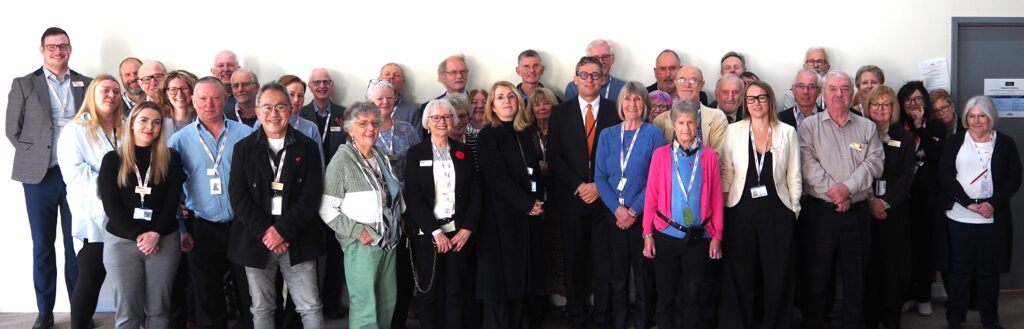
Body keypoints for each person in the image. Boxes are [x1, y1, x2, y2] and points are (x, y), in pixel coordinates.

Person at [6, 27, 90, 329]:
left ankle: (80, 313)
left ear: (70, 48)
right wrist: (36, 154)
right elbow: (12, 130)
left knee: (76, 245)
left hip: (76, 176)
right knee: (42, 245)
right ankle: (45, 312)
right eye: (52, 46)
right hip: (39, 177)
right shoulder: (24, 84)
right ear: (42, 49)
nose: (58, 51)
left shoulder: (86, 83)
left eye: (63, 46)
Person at [229, 83, 326, 329]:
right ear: (258, 111)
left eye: (280, 106)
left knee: (310, 306)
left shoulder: (307, 146)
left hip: (297, 237)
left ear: (291, 110)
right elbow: (238, 196)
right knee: (261, 308)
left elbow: (311, 196)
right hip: (256, 238)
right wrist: (267, 232)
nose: (274, 113)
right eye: (268, 107)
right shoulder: (243, 148)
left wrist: (282, 231)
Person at [168, 77, 256, 329]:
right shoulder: (179, 141)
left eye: (215, 98)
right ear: (193, 101)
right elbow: (172, 189)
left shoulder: (246, 135)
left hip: (241, 225)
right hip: (201, 227)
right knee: (207, 295)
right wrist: (182, 228)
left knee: (248, 291)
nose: (209, 104)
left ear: (225, 100)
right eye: (203, 98)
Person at [799, 71, 884, 329]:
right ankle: (815, 322)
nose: (839, 94)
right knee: (817, 275)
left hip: (856, 214)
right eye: (833, 89)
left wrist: (847, 189)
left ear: (853, 92)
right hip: (820, 213)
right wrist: (835, 194)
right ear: (823, 94)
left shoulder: (867, 126)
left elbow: (875, 163)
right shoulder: (809, 126)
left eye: (845, 89)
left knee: (856, 277)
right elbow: (806, 164)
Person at [717, 81, 802, 329]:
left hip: (777, 212)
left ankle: (775, 323)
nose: (756, 103)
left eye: (761, 98)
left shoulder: (787, 131)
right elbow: (727, 171)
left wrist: (793, 209)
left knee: (776, 275)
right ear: (746, 103)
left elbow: (794, 175)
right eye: (751, 99)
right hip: (740, 211)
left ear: (770, 100)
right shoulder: (734, 130)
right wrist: (723, 209)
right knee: (741, 275)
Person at [549, 56, 622, 328]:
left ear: (603, 79)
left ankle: (603, 315)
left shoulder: (617, 111)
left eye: (595, 75)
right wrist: (580, 186)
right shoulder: (560, 112)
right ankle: (576, 314)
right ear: (575, 78)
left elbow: (620, 157)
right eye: (584, 74)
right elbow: (554, 157)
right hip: (573, 199)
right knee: (574, 260)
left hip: (606, 201)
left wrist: (600, 188)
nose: (590, 79)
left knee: (605, 262)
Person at [97, 101, 185, 329]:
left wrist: (155, 233)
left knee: (159, 311)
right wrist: (139, 235)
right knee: (128, 313)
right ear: (132, 123)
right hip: (122, 243)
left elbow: (172, 200)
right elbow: (111, 206)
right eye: (144, 120)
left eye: (156, 122)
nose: (150, 127)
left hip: (164, 241)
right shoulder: (112, 160)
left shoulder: (171, 157)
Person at [320, 101, 405, 329]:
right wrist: (358, 231)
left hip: (388, 240)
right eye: (363, 123)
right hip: (362, 244)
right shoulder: (341, 161)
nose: (370, 128)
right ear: (350, 129)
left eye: (375, 123)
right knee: (365, 306)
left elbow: (391, 194)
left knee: (387, 303)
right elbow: (327, 209)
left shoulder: (380, 156)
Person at [938, 95, 1021, 329]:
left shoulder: (1005, 143)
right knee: (959, 271)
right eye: (971, 116)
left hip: (992, 218)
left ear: (990, 117)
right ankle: (955, 320)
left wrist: (992, 203)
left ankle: (990, 320)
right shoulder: (955, 141)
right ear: (966, 118)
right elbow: (944, 174)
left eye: (981, 115)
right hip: (960, 217)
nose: (976, 121)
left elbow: (1014, 178)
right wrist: (967, 202)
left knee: (989, 272)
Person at [642, 100, 724, 329]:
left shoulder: (708, 156)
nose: (686, 128)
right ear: (673, 125)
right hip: (666, 235)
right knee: (666, 295)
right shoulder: (660, 155)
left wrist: (717, 236)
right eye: (681, 123)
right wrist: (647, 233)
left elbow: (717, 198)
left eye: (690, 123)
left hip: (699, 237)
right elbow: (651, 197)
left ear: (696, 124)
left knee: (694, 294)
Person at [403, 99, 481, 329]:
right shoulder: (416, 153)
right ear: (427, 122)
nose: (441, 121)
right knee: (429, 291)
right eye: (436, 117)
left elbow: (475, 193)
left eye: (446, 117)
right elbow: (414, 198)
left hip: (458, 234)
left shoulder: (463, 152)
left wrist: (467, 229)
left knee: (456, 290)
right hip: (429, 234)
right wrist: (436, 233)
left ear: (453, 121)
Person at [593, 81, 665, 329]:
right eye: (627, 99)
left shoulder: (653, 134)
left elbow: (656, 179)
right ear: (620, 103)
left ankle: (644, 322)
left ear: (644, 104)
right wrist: (618, 210)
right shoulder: (607, 134)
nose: (632, 104)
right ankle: (620, 322)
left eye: (637, 99)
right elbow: (600, 177)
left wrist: (633, 210)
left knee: (644, 276)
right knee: (617, 276)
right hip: (613, 217)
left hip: (642, 217)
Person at [474, 81, 545, 329]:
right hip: (499, 219)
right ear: (492, 106)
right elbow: (497, 178)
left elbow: (533, 173)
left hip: (525, 218)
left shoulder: (524, 133)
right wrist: (527, 203)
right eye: (500, 98)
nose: (507, 102)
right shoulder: (488, 135)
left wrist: (537, 202)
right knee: (499, 285)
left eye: (511, 97)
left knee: (519, 283)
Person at [56, 75, 123, 329]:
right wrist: (116, 189)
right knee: (91, 276)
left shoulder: (125, 126)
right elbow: (76, 175)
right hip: (93, 215)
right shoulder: (75, 130)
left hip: (125, 214)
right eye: (105, 90)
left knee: (125, 279)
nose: (112, 95)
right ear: (92, 94)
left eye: (116, 91)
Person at [861, 86, 917, 329]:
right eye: (875, 104)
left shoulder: (903, 137)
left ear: (893, 108)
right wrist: (871, 200)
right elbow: (856, 170)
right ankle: (870, 318)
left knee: (893, 267)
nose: (880, 109)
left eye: (886, 105)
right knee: (868, 265)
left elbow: (907, 175)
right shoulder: (860, 133)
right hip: (864, 209)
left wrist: (884, 202)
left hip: (894, 212)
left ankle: (892, 317)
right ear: (868, 107)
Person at [652, 66, 728, 149]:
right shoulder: (660, 121)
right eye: (682, 80)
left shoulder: (718, 118)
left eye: (693, 80)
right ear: (675, 83)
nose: (687, 85)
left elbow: (717, 157)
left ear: (701, 84)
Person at [369, 79, 420, 185]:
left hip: (406, 192)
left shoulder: (407, 129)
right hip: (374, 192)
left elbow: (418, 161)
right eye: (380, 98)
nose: (385, 102)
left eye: (389, 98)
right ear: (370, 102)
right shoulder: (362, 132)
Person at [300, 68, 347, 164]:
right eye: (317, 82)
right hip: (309, 171)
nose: (322, 86)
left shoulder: (345, 114)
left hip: (337, 171)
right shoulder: (300, 115)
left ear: (332, 85)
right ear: (310, 87)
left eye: (326, 82)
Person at [417, 55, 470, 138]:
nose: (459, 76)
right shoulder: (428, 108)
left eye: (463, 71)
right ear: (442, 77)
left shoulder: (481, 104)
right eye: (453, 72)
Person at [157, 70, 199, 134]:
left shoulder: (203, 120)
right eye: (173, 89)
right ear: (166, 94)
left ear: (192, 91)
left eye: (185, 88)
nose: (179, 94)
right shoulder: (160, 122)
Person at [379, 63, 420, 128]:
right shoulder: (368, 108)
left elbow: (417, 137)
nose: (391, 77)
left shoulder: (412, 110)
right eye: (387, 74)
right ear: (379, 80)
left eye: (396, 75)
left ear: (402, 82)